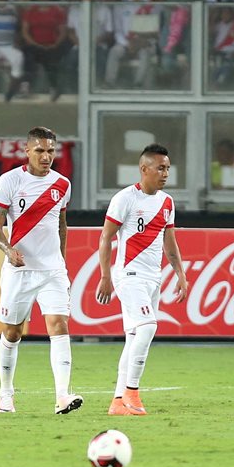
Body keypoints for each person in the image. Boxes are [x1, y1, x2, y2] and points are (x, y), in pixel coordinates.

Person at [0, 125, 83, 415]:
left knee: (59, 327)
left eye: (51, 151)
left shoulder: (62, 184)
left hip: (52, 271)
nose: (46, 156)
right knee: (13, 332)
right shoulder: (10, 181)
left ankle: (62, 396)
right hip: (20, 270)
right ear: (26, 150)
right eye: (40, 150)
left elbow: (61, 225)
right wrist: (8, 250)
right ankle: (5, 392)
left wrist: (62, 262)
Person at [96, 144, 189, 416]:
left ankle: (117, 402)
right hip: (129, 275)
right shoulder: (125, 199)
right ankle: (132, 392)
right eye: (160, 168)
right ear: (144, 169)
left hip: (153, 278)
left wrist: (181, 274)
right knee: (148, 327)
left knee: (134, 336)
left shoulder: (167, 202)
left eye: (168, 168)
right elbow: (106, 237)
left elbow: (169, 242)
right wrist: (105, 275)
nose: (165, 173)